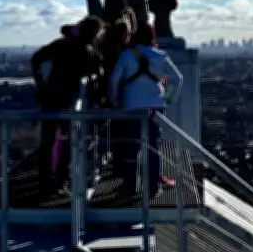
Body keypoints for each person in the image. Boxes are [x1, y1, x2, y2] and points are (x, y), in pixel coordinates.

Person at [31, 16, 106, 199]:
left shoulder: (61, 45)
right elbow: (99, 79)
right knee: (69, 143)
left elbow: (36, 59)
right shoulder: (91, 53)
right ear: (96, 34)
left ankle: (46, 184)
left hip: (51, 99)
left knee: (48, 142)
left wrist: (41, 83)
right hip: (71, 104)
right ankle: (58, 182)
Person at [108, 20, 183, 197]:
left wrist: (114, 100)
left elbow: (114, 80)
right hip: (155, 105)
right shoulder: (160, 56)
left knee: (131, 145)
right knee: (153, 146)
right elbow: (177, 79)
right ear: (152, 36)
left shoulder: (127, 55)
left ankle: (129, 186)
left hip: (131, 105)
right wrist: (169, 99)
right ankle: (153, 187)